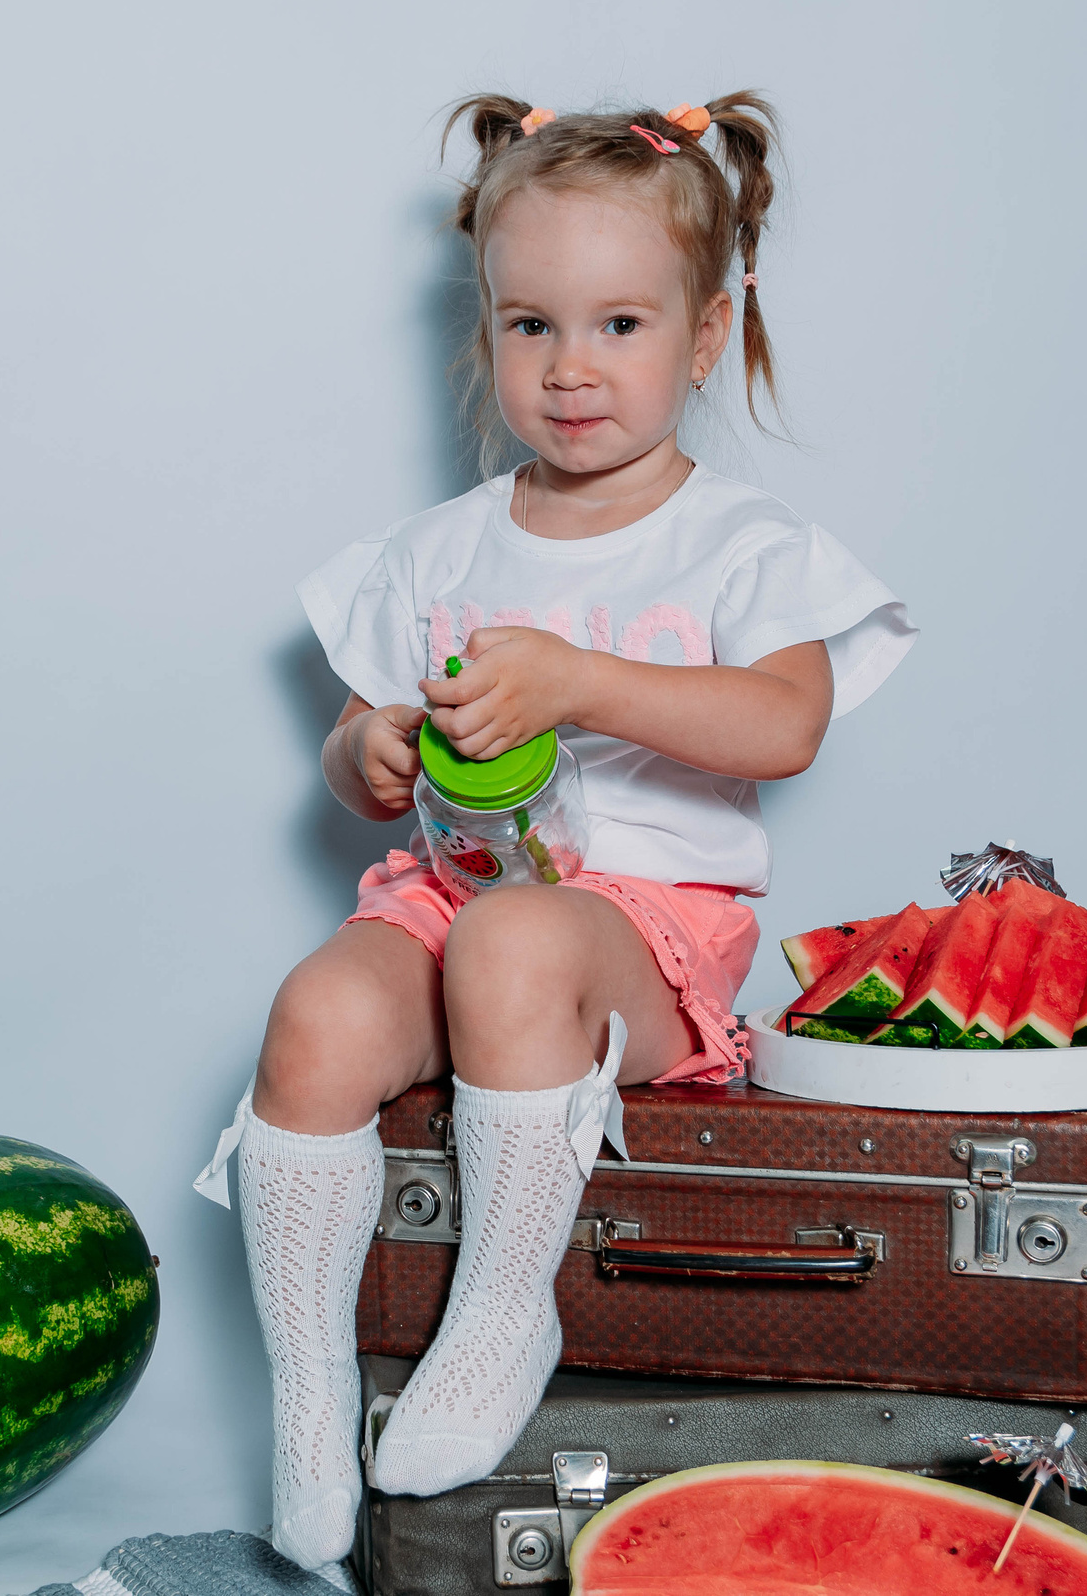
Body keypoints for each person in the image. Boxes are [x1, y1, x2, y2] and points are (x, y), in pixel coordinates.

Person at [194, 92, 915, 1571]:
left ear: (705, 336)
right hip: (449, 903)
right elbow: (351, 750)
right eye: (530, 327)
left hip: (641, 945)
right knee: (319, 1013)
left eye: (620, 327)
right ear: (486, 331)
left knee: (522, 940)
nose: (571, 371)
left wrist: (584, 676)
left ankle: (503, 1307)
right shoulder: (438, 553)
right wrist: (368, 751)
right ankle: (314, 1398)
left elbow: (784, 725)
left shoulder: (741, 546)